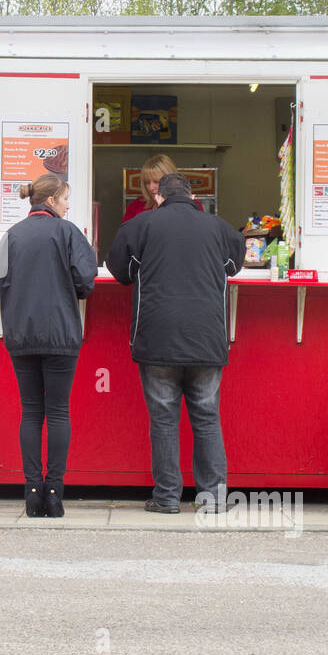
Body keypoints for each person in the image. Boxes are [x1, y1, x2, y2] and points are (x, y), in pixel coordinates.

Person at [108, 172, 244, 513]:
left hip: (157, 338)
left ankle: (167, 498)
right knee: (207, 418)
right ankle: (213, 498)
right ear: (192, 196)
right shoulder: (218, 227)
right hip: (207, 339)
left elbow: (119, 271)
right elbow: (234, 265)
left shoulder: (140, 226)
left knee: (164, 420)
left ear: (159, 197)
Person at [0, 175, 97, 518]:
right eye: (66, 199)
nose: (68, 205)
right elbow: (85, 280)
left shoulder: (12, 235)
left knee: (31, 411)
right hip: (61, 334)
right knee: (58, 412)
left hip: (21, 334)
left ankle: (32, 493)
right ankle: (55, 493)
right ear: (50, 200)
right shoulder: (68, 233)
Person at [120, 153, 177, 224]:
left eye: (156, 182)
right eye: (147, 182)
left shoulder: (190, 205)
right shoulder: (136, 205)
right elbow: (125, 233)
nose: (151, 188)